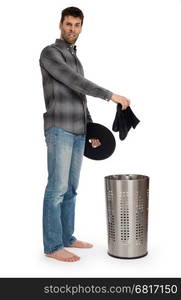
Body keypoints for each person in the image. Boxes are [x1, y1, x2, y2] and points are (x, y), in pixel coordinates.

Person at [39, 6, 130, 262]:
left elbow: (80, 97)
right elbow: (75, 82)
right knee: (56, 189)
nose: (72, 29)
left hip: (79, 132)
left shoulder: (76, 58)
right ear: (60, 24)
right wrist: (111, 95)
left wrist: (90, 129)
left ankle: (67, 237)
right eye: (68, 24)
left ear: (81, 27)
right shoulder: (50, 53)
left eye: (77, 25)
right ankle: (53, 246)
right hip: (59, 128)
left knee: (71, 189)